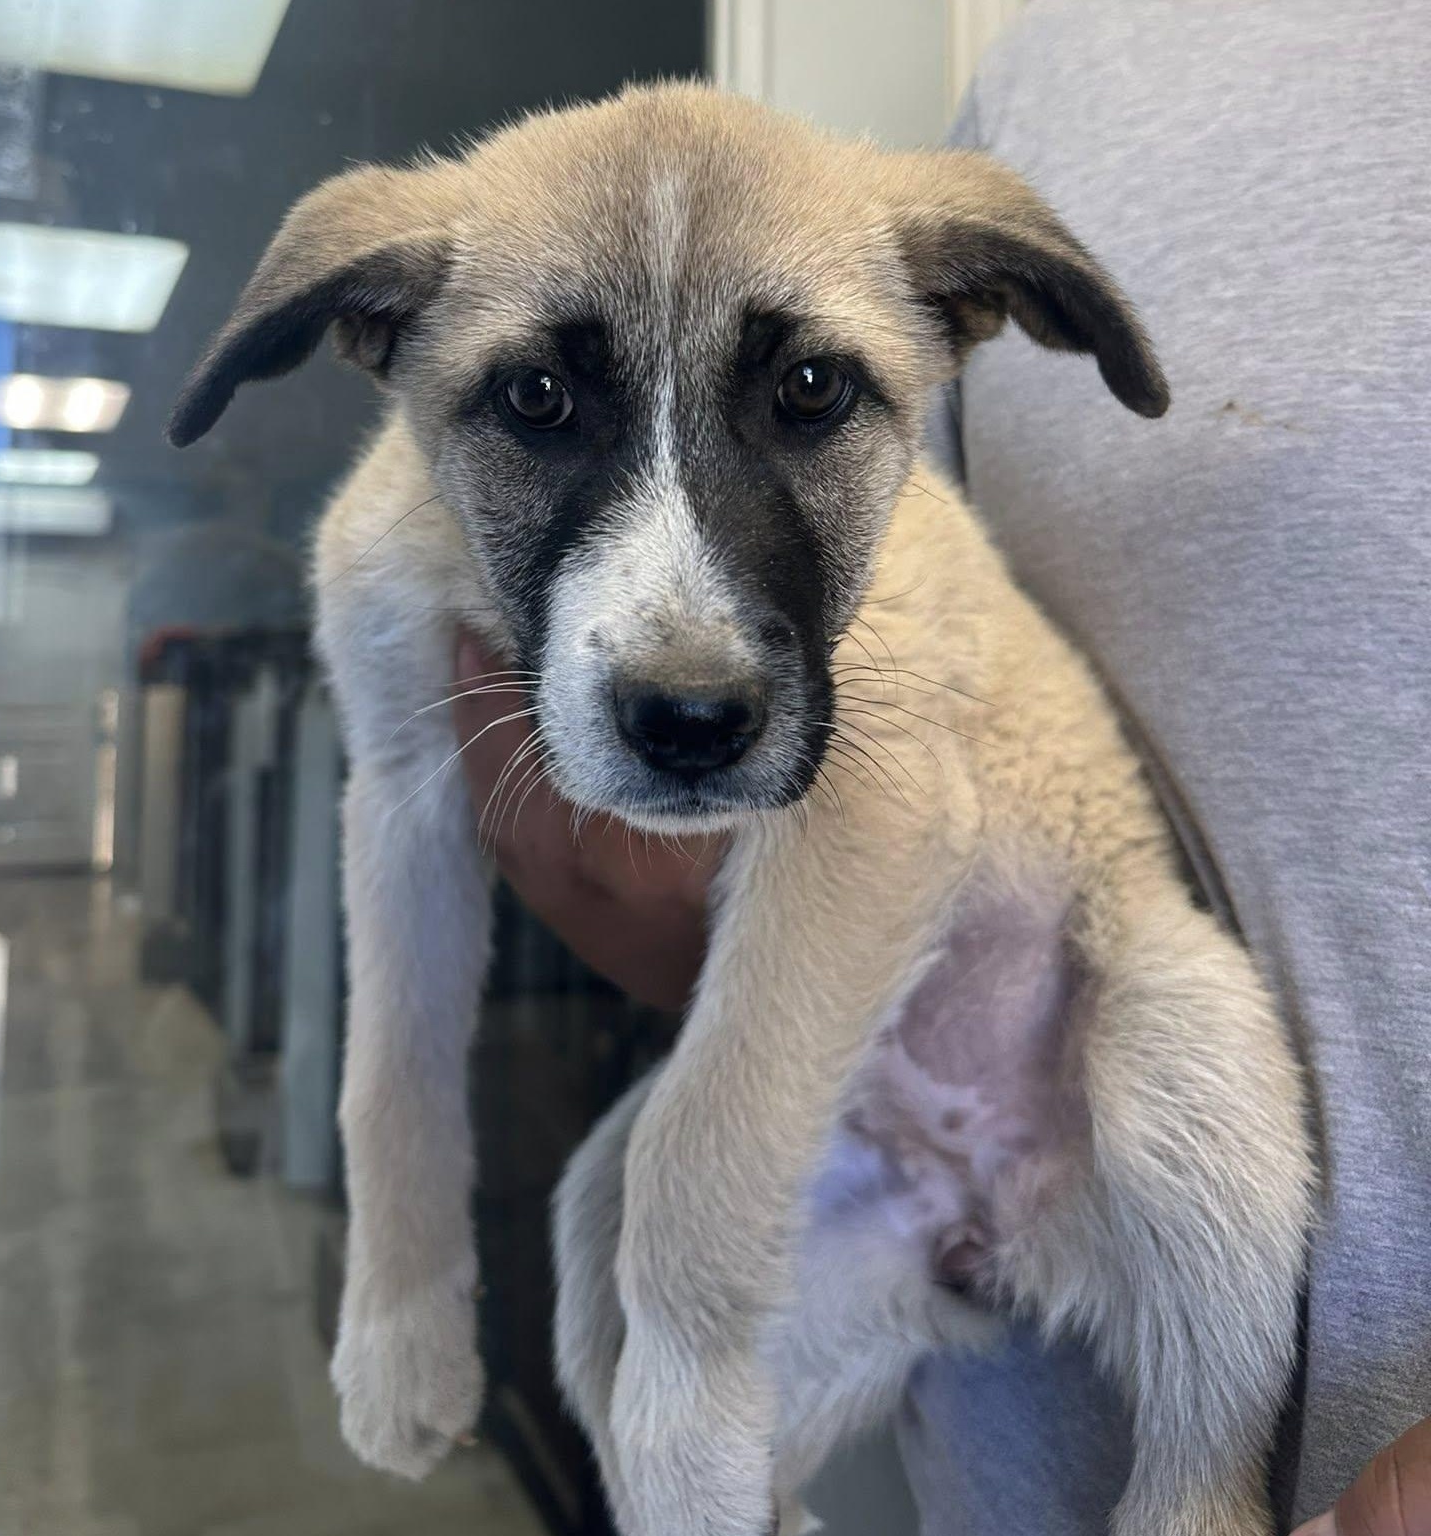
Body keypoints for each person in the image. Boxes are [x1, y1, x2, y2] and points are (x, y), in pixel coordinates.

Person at [450, 1, 1431, 1529]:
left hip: (1118, 1084)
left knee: (1189, 1044)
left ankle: (1200, 1488)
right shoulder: (1050, 72)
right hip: (896, 1197)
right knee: (614, 1226)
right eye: (535, 403)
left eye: (807, 397)